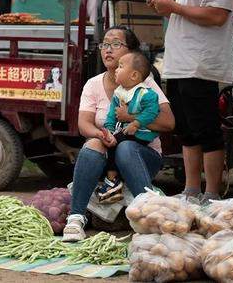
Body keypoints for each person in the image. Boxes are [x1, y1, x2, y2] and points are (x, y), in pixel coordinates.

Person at [147, 0, 233, 203]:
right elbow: (190, 12)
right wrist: (166, 8)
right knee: (186, 130)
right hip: (181, 62)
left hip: (201, 64)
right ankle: (191, 190)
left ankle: (211, 194)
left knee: (206, 130)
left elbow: (216, 16)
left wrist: (173, 7)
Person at [62, 26, 175, 242]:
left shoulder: (145, 84)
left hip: (141, 157)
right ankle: (75, 219)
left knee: (126, 146)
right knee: (93, 142)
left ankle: (148, 215)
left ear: (132, 53)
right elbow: (84, 124)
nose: (108, 50)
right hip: (106, 157)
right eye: (105, 44)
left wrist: (131, 117)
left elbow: (169, 122)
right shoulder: (93, 84)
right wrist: (102, 134)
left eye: (116, 44)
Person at [98, 51, 160, 204]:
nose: (116, 70)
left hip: (142, 135)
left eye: (120, 66)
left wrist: (136, 123)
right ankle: (113, 181)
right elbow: (112, 114)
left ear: (133, 76)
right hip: (125, 133)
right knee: (110, 141)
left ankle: (112, 179)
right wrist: (109, 130)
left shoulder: (146, 94)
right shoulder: (119, 93)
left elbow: (152, 113)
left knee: (115, 144)